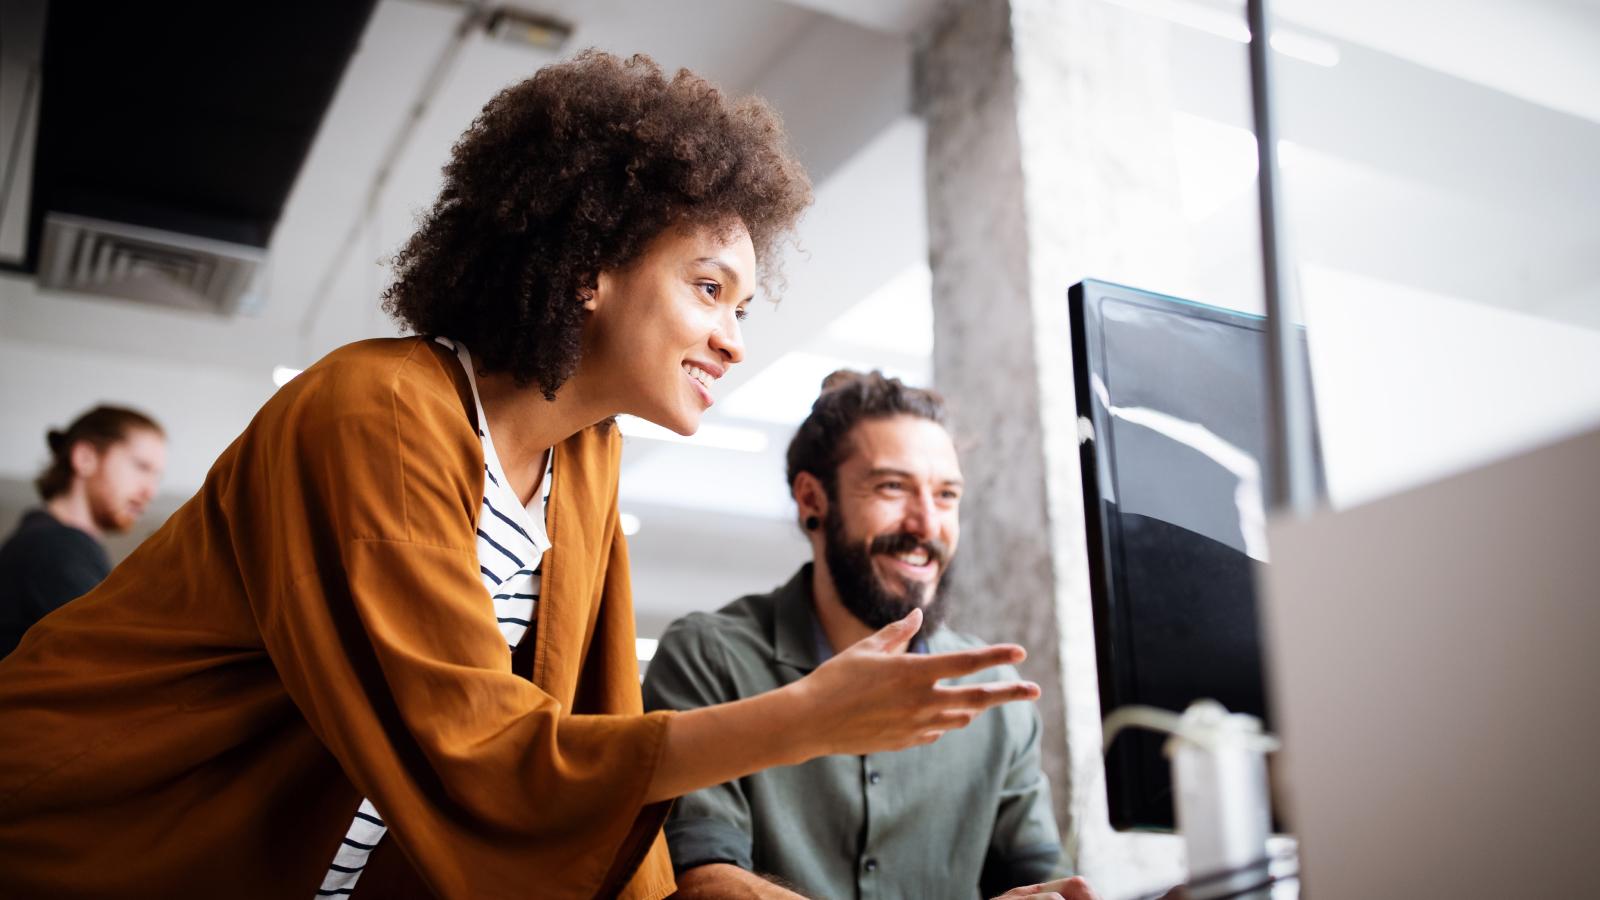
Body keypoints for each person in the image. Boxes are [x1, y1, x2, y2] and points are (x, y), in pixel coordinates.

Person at [0, 52, 1042, 900]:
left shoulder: (585, 462)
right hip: (82, 836)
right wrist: (805, 717)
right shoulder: (378, 412)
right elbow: (480, 750)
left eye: (743, 309)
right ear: (591, 263)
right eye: (709, 287)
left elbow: (576, 738)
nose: (731, 342)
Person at [644, 371, 1102, 900]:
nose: (926, 524)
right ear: (812, 500)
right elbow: (699, 878)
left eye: (947, 495)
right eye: (892, 487)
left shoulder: (995, 693)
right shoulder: (709, 657)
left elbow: (1041, 879)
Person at [0, 405, 166, 659]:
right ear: (85, 458)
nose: (150, 492)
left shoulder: (49, 541)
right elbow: (115, 659)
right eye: (141, 467)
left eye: (157, 477)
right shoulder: (54, 546)